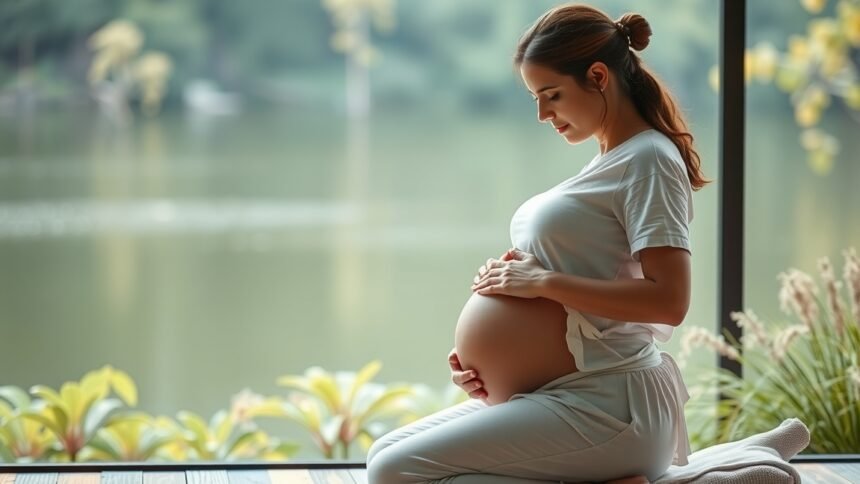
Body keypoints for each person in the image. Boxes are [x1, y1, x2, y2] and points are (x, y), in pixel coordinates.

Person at [366, 3, 710, 483]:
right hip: (563, 392)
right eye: (535, 98)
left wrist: (541, 281)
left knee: (394, 471)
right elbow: (572, 299)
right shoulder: (612, 161)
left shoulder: (649, 160)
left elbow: (669, 301)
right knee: (386, 450)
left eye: (551, 94)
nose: (543, 114)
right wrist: (487, 360)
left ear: (597, 76)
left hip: (614, 406)